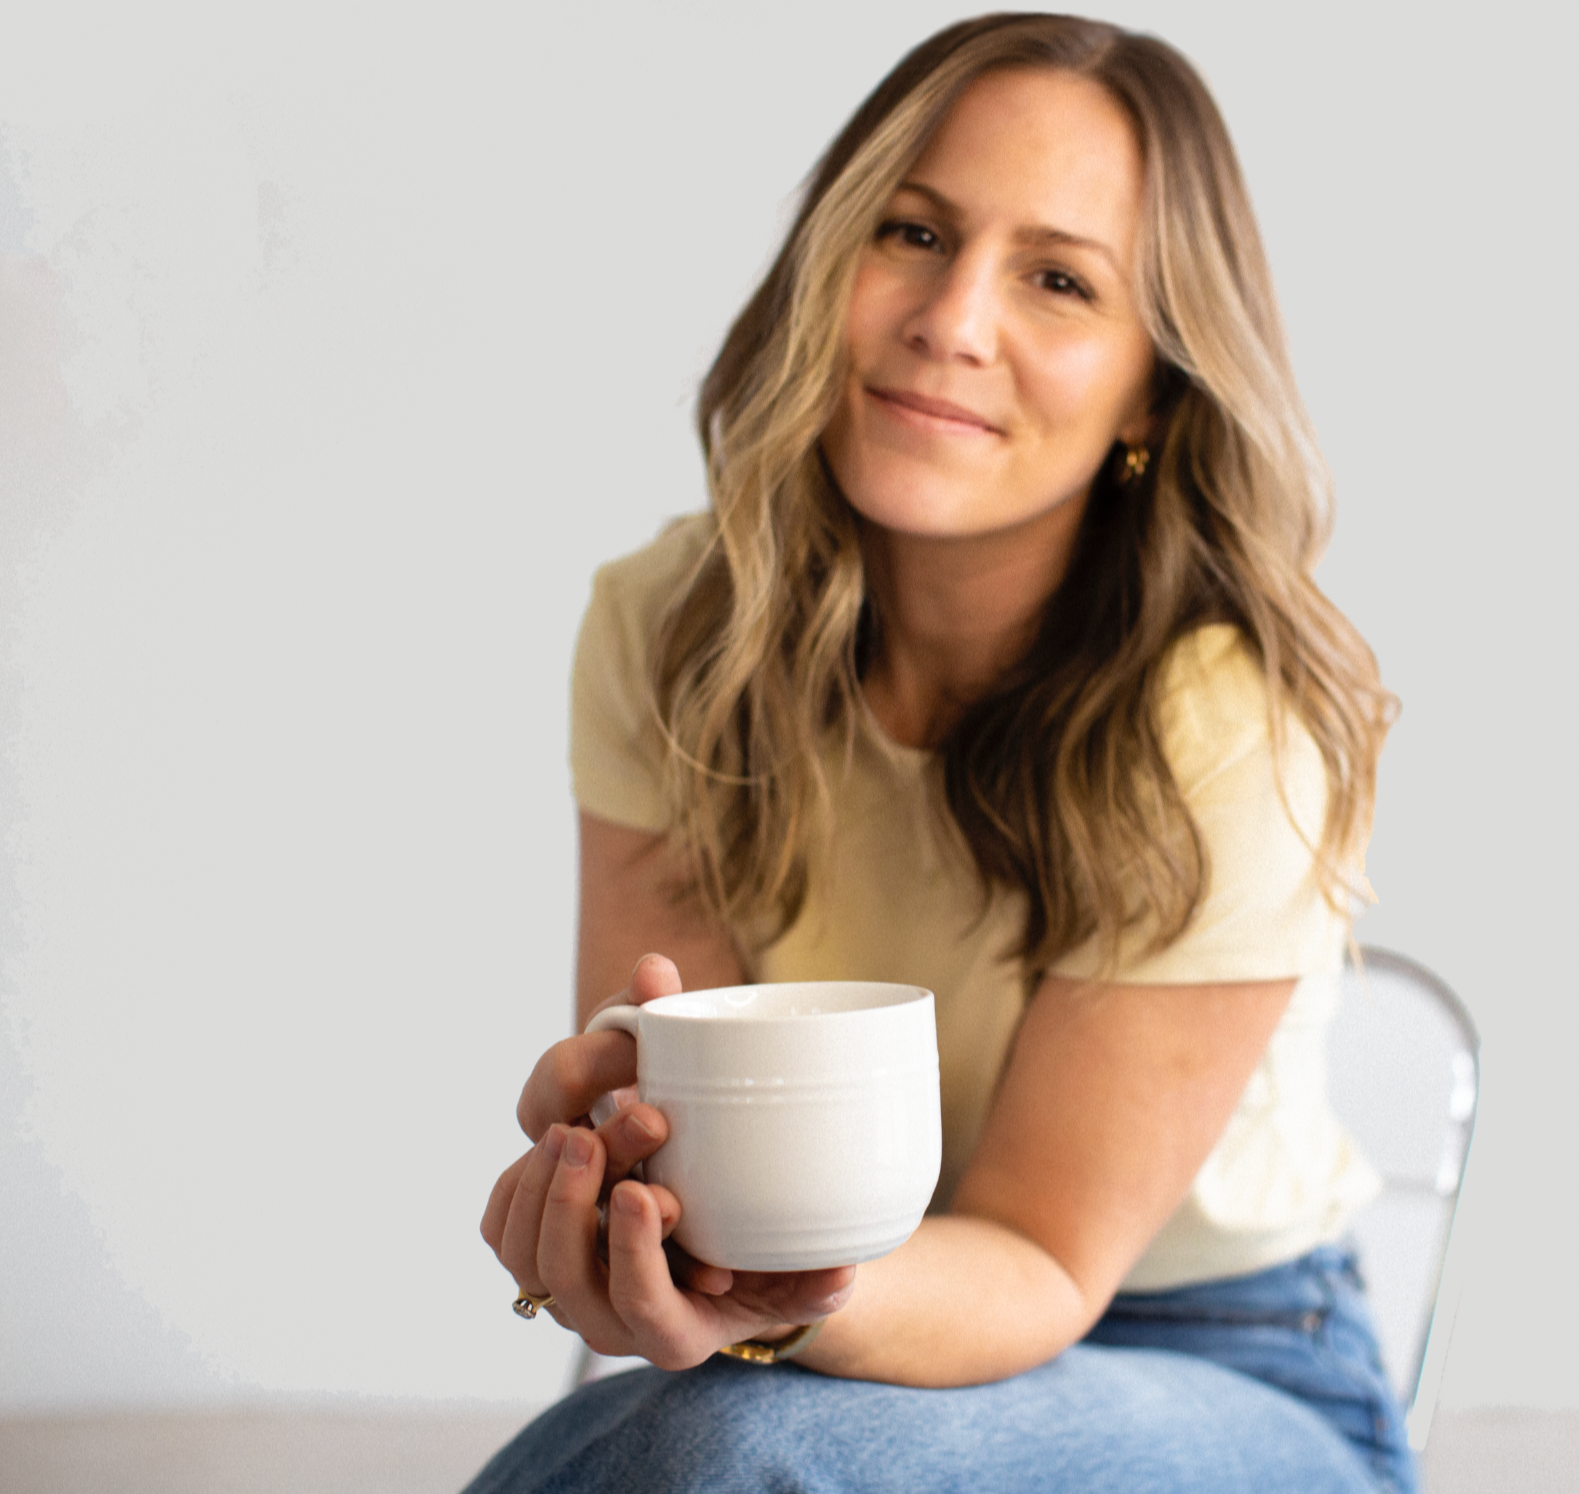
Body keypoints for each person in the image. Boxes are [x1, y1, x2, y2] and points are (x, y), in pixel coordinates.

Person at [471, 13, 1410, 1492]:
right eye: (912, 231)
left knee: (729, 1453)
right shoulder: (668, 628)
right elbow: (683, 1150)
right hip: (842, 1335)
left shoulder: (1223, 725)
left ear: (1150, 393)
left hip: (1226, 1362)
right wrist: (635, 1195)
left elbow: (1039, 1256)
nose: (952, 319)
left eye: (1057, 278)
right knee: (699, 1443)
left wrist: (767, 1315)